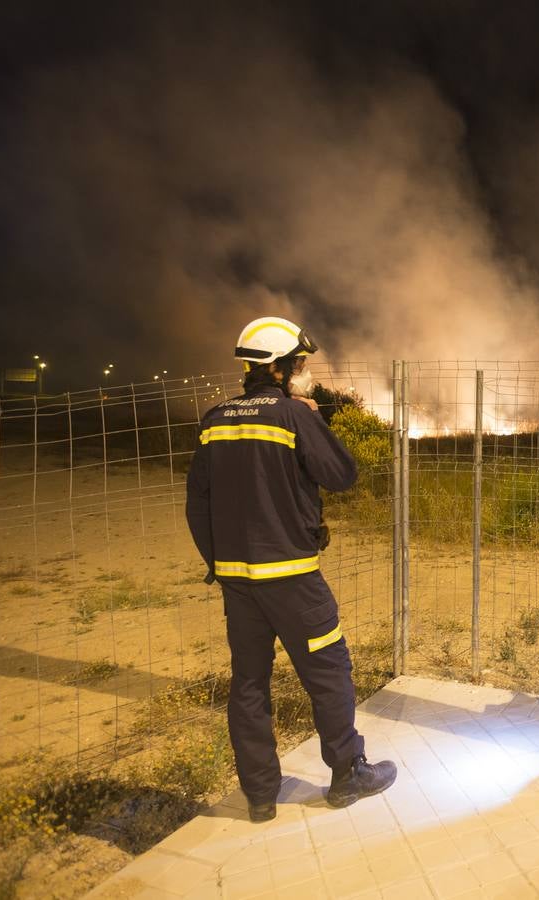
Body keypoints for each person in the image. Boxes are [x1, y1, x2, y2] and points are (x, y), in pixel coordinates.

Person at [186, 316, 396, 823]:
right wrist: (313, 420)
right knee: (329, 669)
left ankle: (260, 796)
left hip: (238, 582)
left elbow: (197, 504)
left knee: (249, 682)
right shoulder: (292, 415)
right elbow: (342, 474)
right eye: (299, 363)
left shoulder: (214, 420)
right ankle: (347, 774)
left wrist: (220, 566)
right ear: (277, 368)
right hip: (293, 578)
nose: (305, 371)